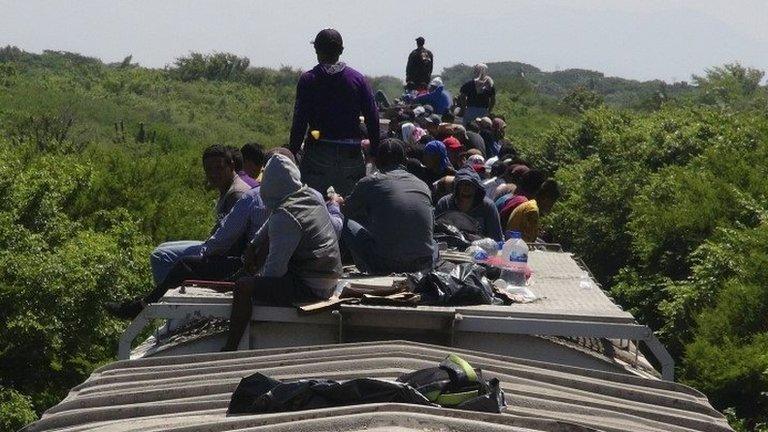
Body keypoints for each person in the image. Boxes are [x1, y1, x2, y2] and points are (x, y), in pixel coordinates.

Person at [106, 174, 269, 319]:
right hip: (277, 275)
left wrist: (207, 254)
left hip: (251, 271)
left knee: (185, 264)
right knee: (170, 254)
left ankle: (149, 307)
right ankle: (149, 300)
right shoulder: (291, 200)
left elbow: (224, 237)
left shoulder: (253, 197)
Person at [223, 154, 342, 351]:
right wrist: (254, 244)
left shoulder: (284, 217)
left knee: (243, 287)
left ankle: (229, 348)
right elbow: (273, 222)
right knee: (274, 238)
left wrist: (255, 281)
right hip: (329, 278)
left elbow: (274, 272)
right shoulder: (310, 195)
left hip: (311, 286)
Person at [289, 28, 379, 196]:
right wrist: (374, 152)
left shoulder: (309, 79)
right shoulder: (358, 79)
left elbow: (299, 121)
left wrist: (292, 151)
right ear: (341, 51)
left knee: (312, 207)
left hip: (318, 153)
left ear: (316, 50)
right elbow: (373, 118)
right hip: (350, 156)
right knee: (351, 208)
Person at [148, 145, 251, 287]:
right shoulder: (228, 189)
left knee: (160, 256)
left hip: (224, 254)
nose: (214, 174)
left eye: (219, 168)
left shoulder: (236, 194)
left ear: (231, 165)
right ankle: (172, 287)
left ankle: (166, 296)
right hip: (216, 246)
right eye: (209, 169)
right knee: (163, 247)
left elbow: (232, 239)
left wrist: (206, 251)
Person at [342, 139, 436, 274]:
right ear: (405, 160)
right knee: (433, 242)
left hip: (386, 264)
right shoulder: (422, 184)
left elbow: (346, 210)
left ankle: (365, 267)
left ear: (377, 161)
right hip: (423, 264)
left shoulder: (370, 182)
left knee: (342, 220)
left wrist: (335, 203)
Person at [436, 167, 503, 241]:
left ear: (477, 187)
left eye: (470, 184)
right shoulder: (444, 203)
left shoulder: (488, 206)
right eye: (462, 184)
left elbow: (496, 238)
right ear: (456, 187)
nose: (466, 188)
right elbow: (435, 232)